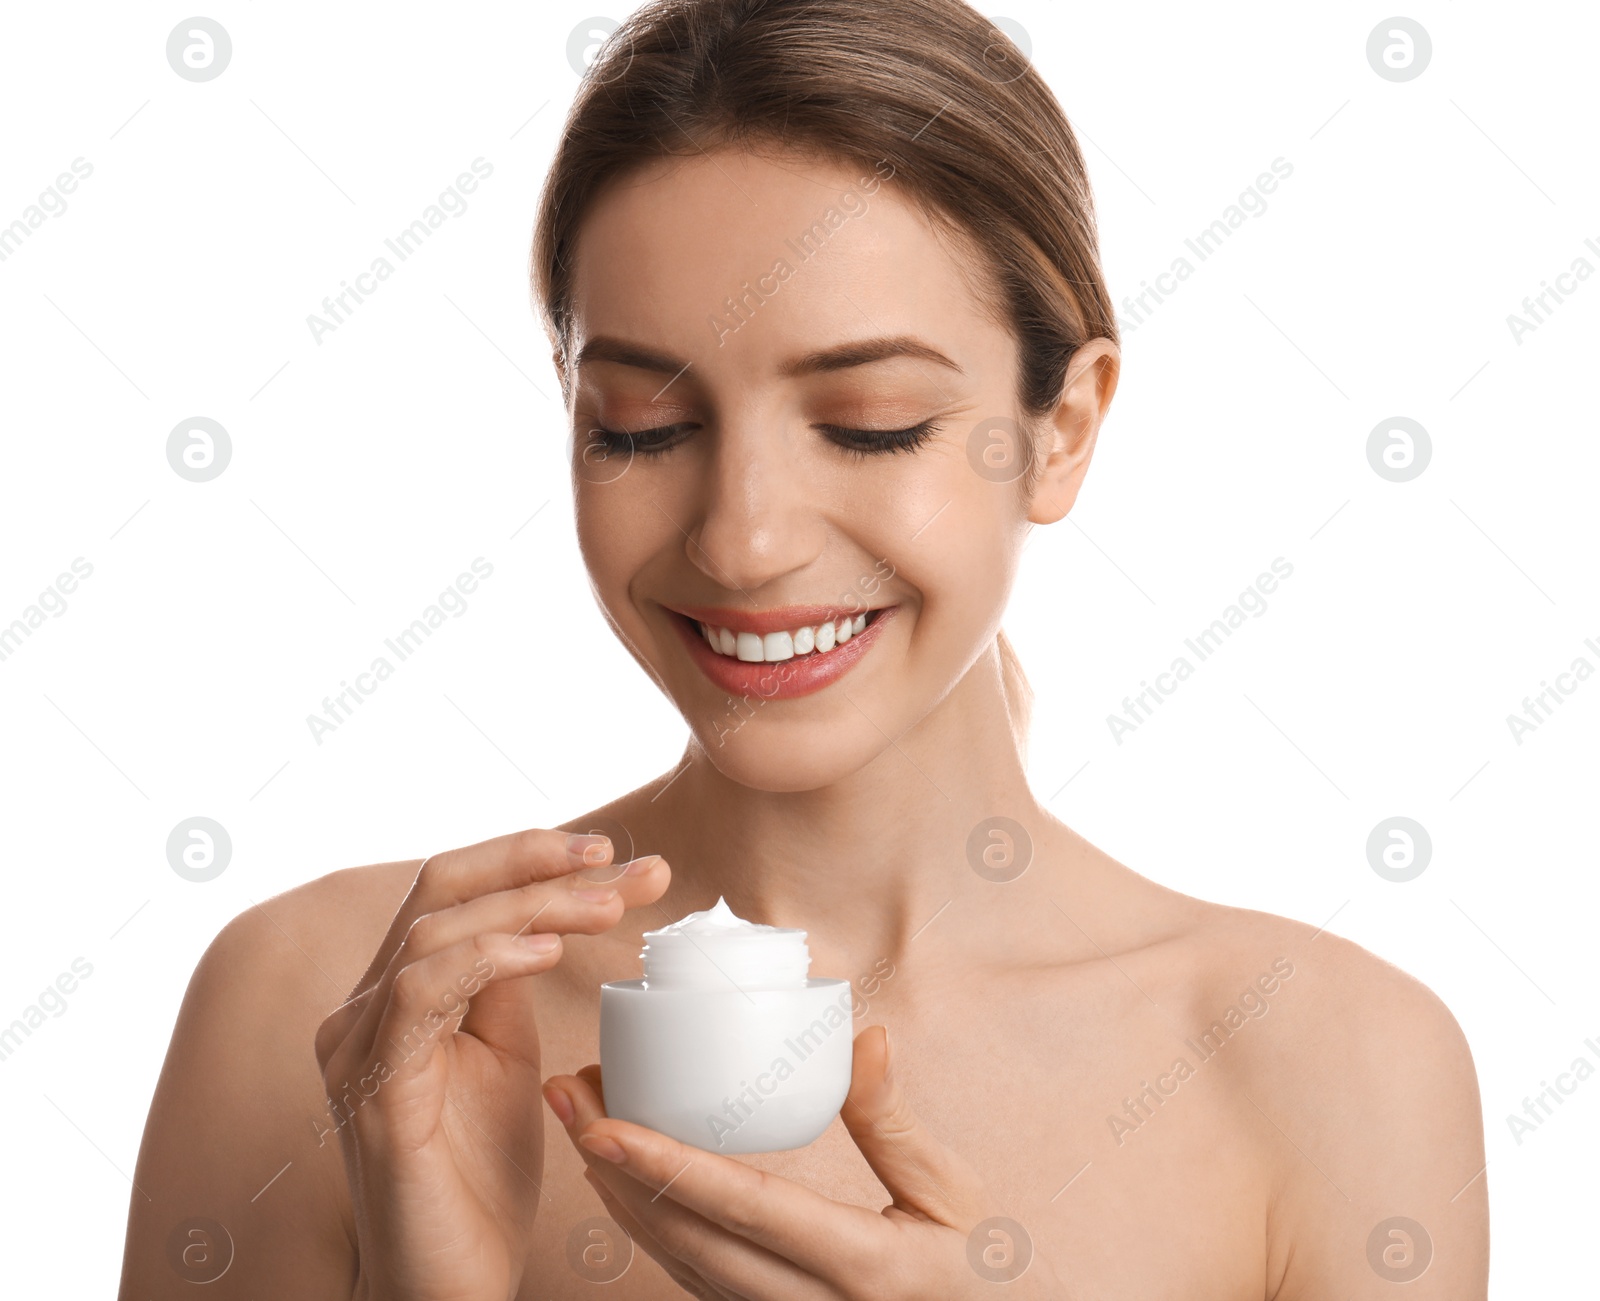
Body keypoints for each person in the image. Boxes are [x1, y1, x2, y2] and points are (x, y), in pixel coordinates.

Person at [119, 0, 1489, 1295]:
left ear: (1062, 427)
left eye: (874, 421)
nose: (744, 540)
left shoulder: (1333, 1068)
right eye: (643, 428)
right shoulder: (337, 1018)